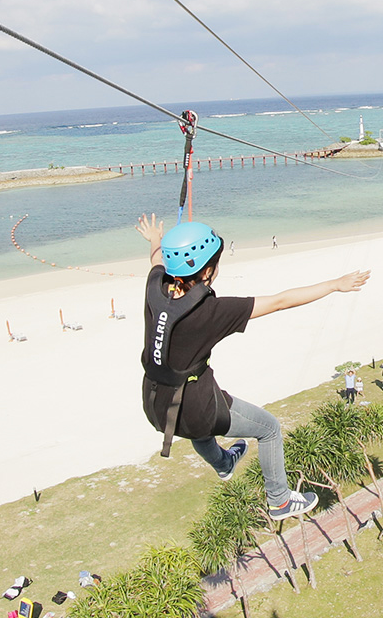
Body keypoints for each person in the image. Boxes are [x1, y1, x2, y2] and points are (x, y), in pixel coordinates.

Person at [138, 214, 368, 520]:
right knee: (269, 428)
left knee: (200, 430)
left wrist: (156, 238)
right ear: (208, 270)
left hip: (156, 404)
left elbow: (156, 261)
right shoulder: (211, 311)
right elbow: (280, 301)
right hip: (194, 408)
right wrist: (335, 285)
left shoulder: (155, 288)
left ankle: (223, 464)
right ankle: (280, 500)